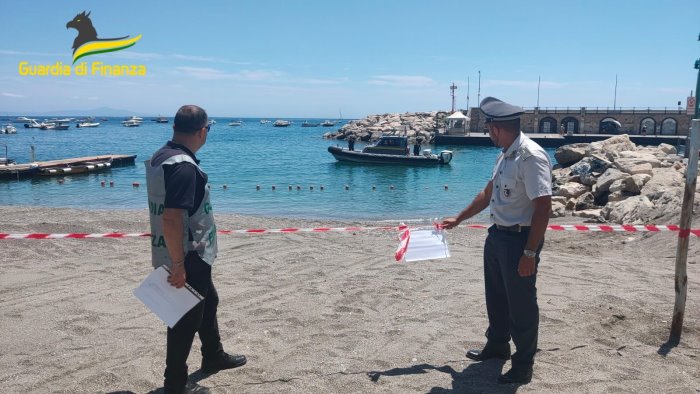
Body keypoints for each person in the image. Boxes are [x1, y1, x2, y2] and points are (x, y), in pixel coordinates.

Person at [442, 97, 552, 385]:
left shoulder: (530, 156)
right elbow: (488, 192)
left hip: (519, 241)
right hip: (498, 235)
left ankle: (523, 364)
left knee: (522, 305)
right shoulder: (505, 154)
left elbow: (543, 207)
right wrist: (459, 218)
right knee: (497, 296)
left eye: (489, 127)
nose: (488, 132)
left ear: (496, 128)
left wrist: (529, 252)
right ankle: (498, 346)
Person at [145, 105, 247, 394]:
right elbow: (172, 216)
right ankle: (175, 384)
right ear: (202, 131)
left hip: (175, 249)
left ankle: (213, 354)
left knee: (208, 301)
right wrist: (179, 265)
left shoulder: (161, 155)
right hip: (188, 254)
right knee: (185, 317)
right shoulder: (183, 167)